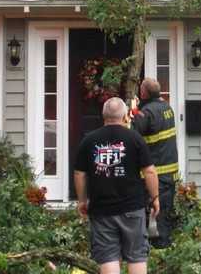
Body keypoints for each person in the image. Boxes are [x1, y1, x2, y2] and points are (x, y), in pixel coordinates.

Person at [74, 97, 160, 274]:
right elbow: (150, 172)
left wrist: (82, 201)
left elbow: (79, 173)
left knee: (108, 257)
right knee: (136, 256)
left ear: (103, 115)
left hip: (101, 209)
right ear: (124, 116)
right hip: (132, 209)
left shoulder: (89, 140)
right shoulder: (135, 138)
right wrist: (155, 198)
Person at [129, 78, 178, 248]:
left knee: (156, 219)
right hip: (170, 174)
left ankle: (160, 256)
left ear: (144, 93)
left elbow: (132, 133)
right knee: (164, 215)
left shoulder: (147, 112)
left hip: (156, 175)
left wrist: (134, 110)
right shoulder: (167, 108)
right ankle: (163, 251)